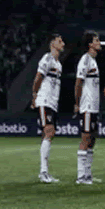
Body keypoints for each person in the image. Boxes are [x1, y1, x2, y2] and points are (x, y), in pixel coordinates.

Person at [74, 31, 105, 185]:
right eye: (96, 40)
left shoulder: (93, 62)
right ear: (90, 44)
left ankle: (88, 174)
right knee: (85, 138)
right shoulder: (85, 60)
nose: (99, 42)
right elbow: (78, 83)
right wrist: (77, 103)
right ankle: (81, 176)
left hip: (94, 107)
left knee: (92, 139)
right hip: (87, 106)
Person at [31, 33, 64, 183]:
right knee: (49, 132)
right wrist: (35, 95)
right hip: (44, 100)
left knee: (48, 134)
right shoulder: (47, 59)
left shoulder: (58, 64)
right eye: (59, 41)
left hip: (53, 102)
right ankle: (43, 172)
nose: (62, 43)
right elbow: (38, 77)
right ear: (52, 44)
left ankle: (44, 172)